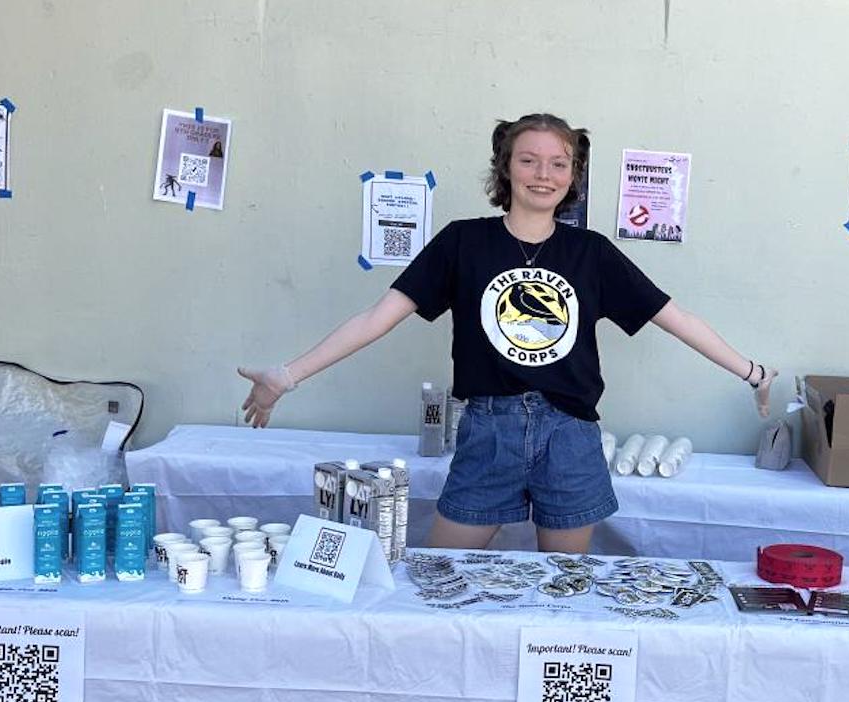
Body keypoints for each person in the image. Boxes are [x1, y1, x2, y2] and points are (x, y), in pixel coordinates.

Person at [239, 113, 777, 553]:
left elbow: (674, 316)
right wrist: (285, 376)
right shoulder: (462, 243)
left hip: (569, 434)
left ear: (573, 175)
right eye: (529, 160)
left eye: (559, 163)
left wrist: (751, 373)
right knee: (441, 574)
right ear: (506, 169)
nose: (543, 173)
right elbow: (376, 318)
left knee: (563, 589)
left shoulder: (591, 254)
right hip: (488, 430)